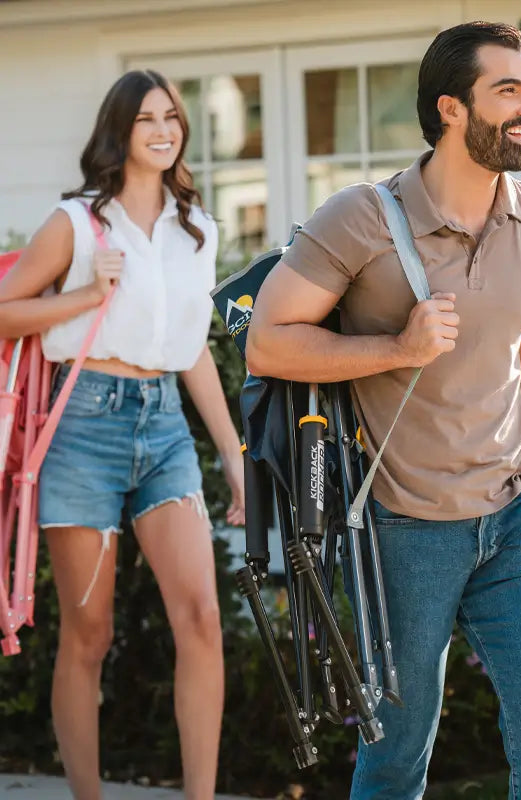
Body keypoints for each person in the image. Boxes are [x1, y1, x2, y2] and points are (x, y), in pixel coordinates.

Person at [246, 20, 521, 800]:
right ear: (452, 109)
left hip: (514, 524)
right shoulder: (362, 218)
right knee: (398, 754)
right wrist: (399, 347)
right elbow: (266, 342)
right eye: (507, 89)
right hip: (401, 528)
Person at [0, 70, 244, 800]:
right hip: (82, 429)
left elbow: (192, 346)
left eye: (172, 117)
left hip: (164, 425)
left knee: (201, 617)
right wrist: (83, 294)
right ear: (120, 130)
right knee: (90, 635)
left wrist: (233, 457)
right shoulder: (77, 222)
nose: (164, 130)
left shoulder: (197, 229)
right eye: (147, 119)